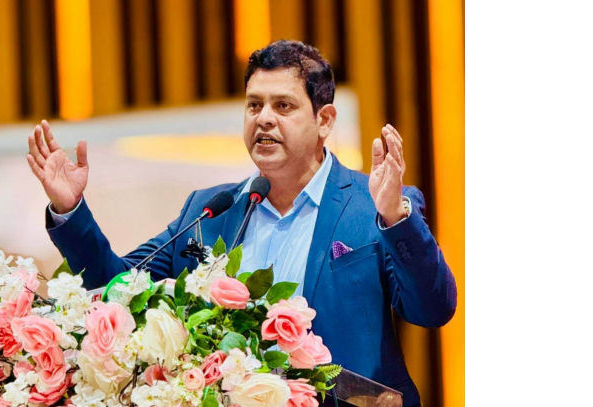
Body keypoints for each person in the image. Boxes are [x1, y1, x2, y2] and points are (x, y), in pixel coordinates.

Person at [26, 40, 456, 407]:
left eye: (283, 105)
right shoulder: (209, 210)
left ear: (324, 120)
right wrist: (70, 208)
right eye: (254, 105)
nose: (264, 118)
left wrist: (395, 218)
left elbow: (433, 309)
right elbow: (120, 288)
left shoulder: (375, 207)